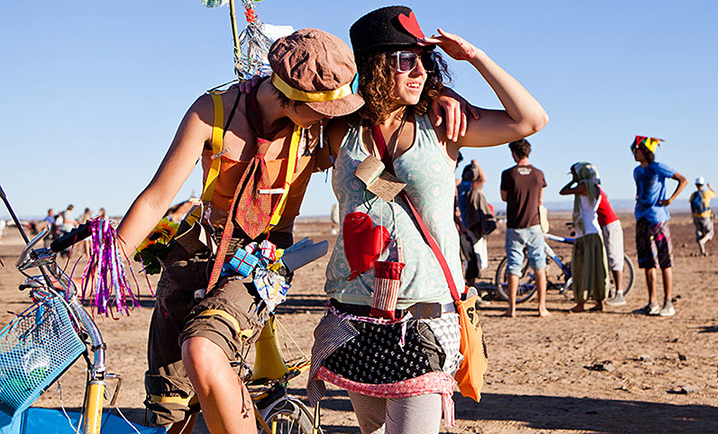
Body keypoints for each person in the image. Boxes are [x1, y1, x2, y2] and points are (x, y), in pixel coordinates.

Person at [117, 26, 466, 434]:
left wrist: (440, 96)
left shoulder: (322, 122)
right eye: (326, 110)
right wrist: (108, 262)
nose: (337, 117)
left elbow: (387, 114)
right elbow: (157, 199)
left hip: (259, 259)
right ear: (293, 99)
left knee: (202, 350)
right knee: (170, 403)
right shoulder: (211, 113)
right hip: (194, 255)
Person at [307, 5, 548, 434]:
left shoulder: (441, 124)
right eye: (404, 60)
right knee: (372, 431)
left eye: (424, 59)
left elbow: (530, 120)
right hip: (354, 316)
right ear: (375, 66)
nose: (419, 71)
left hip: (423, 322)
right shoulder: (340, 131)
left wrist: (472, 56)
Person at [631, 136, 688, 317]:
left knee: (664, 262)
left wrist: (670, 199)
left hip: (658, 220)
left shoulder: (659, 168)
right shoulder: (636, 172)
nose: (634, 153)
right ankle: (652, 303)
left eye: (637, 149)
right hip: (642, 219)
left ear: (645, 151)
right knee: (648, 263)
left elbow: (682, 180)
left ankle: (668, 303)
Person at [500, 139, 549, 317]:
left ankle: (512, 308)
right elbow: (540, 200)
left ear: (514, 153)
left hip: (515, 225)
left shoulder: (508, 174)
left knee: (514, 267)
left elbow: (504, 197)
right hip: (534, 224)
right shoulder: (538, 174)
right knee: (539, 266)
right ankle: (542, 307)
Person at [560, 162, 609, 312]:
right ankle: (600, 301)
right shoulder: (595, 187)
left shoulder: (583, 187)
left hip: (586, 234)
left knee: (582, 268)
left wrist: (575, 180)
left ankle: (581, 302)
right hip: (594, 232)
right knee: (597, 268)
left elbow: (563, 191)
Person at [458, 161, 494, 286]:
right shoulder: (470, 186)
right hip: (470, 228)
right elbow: (483, 178)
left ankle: (467, 288)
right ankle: (469, 290)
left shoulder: (458, 187)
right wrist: (477, 164)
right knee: (474, 261)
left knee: (469, 261)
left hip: (462, 227)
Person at [597, 185, 627, 306]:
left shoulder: (593, 189)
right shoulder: (592, 189)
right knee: (608, 257)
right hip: (605, 225)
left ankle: (619, 293)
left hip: (610, 224)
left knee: (614, 257)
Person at [689, 177, 715, 256]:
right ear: (702, 184)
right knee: (709, 232)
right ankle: (703, 241)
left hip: (696, 216)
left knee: (699, 232)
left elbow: (691, 205)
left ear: (696, 185)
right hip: (705, 216)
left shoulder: (693, 195)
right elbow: (714, 193)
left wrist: (693, 215)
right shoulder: (706, 193)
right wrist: (709, 186)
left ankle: (702, 251)